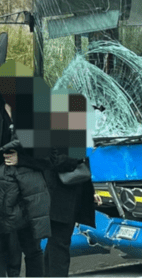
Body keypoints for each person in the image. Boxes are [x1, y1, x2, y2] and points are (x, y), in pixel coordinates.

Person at [13, 92, 100, 277]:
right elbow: (59, 161)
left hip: (64, 199)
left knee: (57, 247)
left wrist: (92, 193)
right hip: (60, 200)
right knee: (58, 247)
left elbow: (74, 165)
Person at [0, 95, 50, 277]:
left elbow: (47, 158)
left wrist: (21, 160)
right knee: (7, 252)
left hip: (28, 193)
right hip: (3, 192)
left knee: (32, 249)